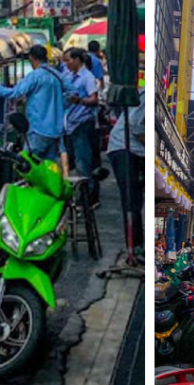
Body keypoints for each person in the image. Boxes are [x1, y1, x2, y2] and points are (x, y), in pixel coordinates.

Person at [0, 44, 64, 162]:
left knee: (27, 165)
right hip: (56, 131)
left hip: (38, 130)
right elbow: (73, 92)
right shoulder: (56, 74)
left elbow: (15, 93)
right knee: (49, 169)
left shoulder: (35, 76)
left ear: (31, 58)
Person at [61, 47, 102, 206]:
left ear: (78, 60)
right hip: (69, 124)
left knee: (83, 163)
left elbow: (94, 99)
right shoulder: (68, 75)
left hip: (83, 123)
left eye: (69, 60)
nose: (66, 63)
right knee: (70, 161)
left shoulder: (87, 77)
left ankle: (88, 198)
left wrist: (80, 101)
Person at [107, 90, 144, 251]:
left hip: (136, 151)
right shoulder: (150, 96)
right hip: (123, 148)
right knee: (131, 200)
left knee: (136, 199)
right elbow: (137, 128)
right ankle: (135, 247)